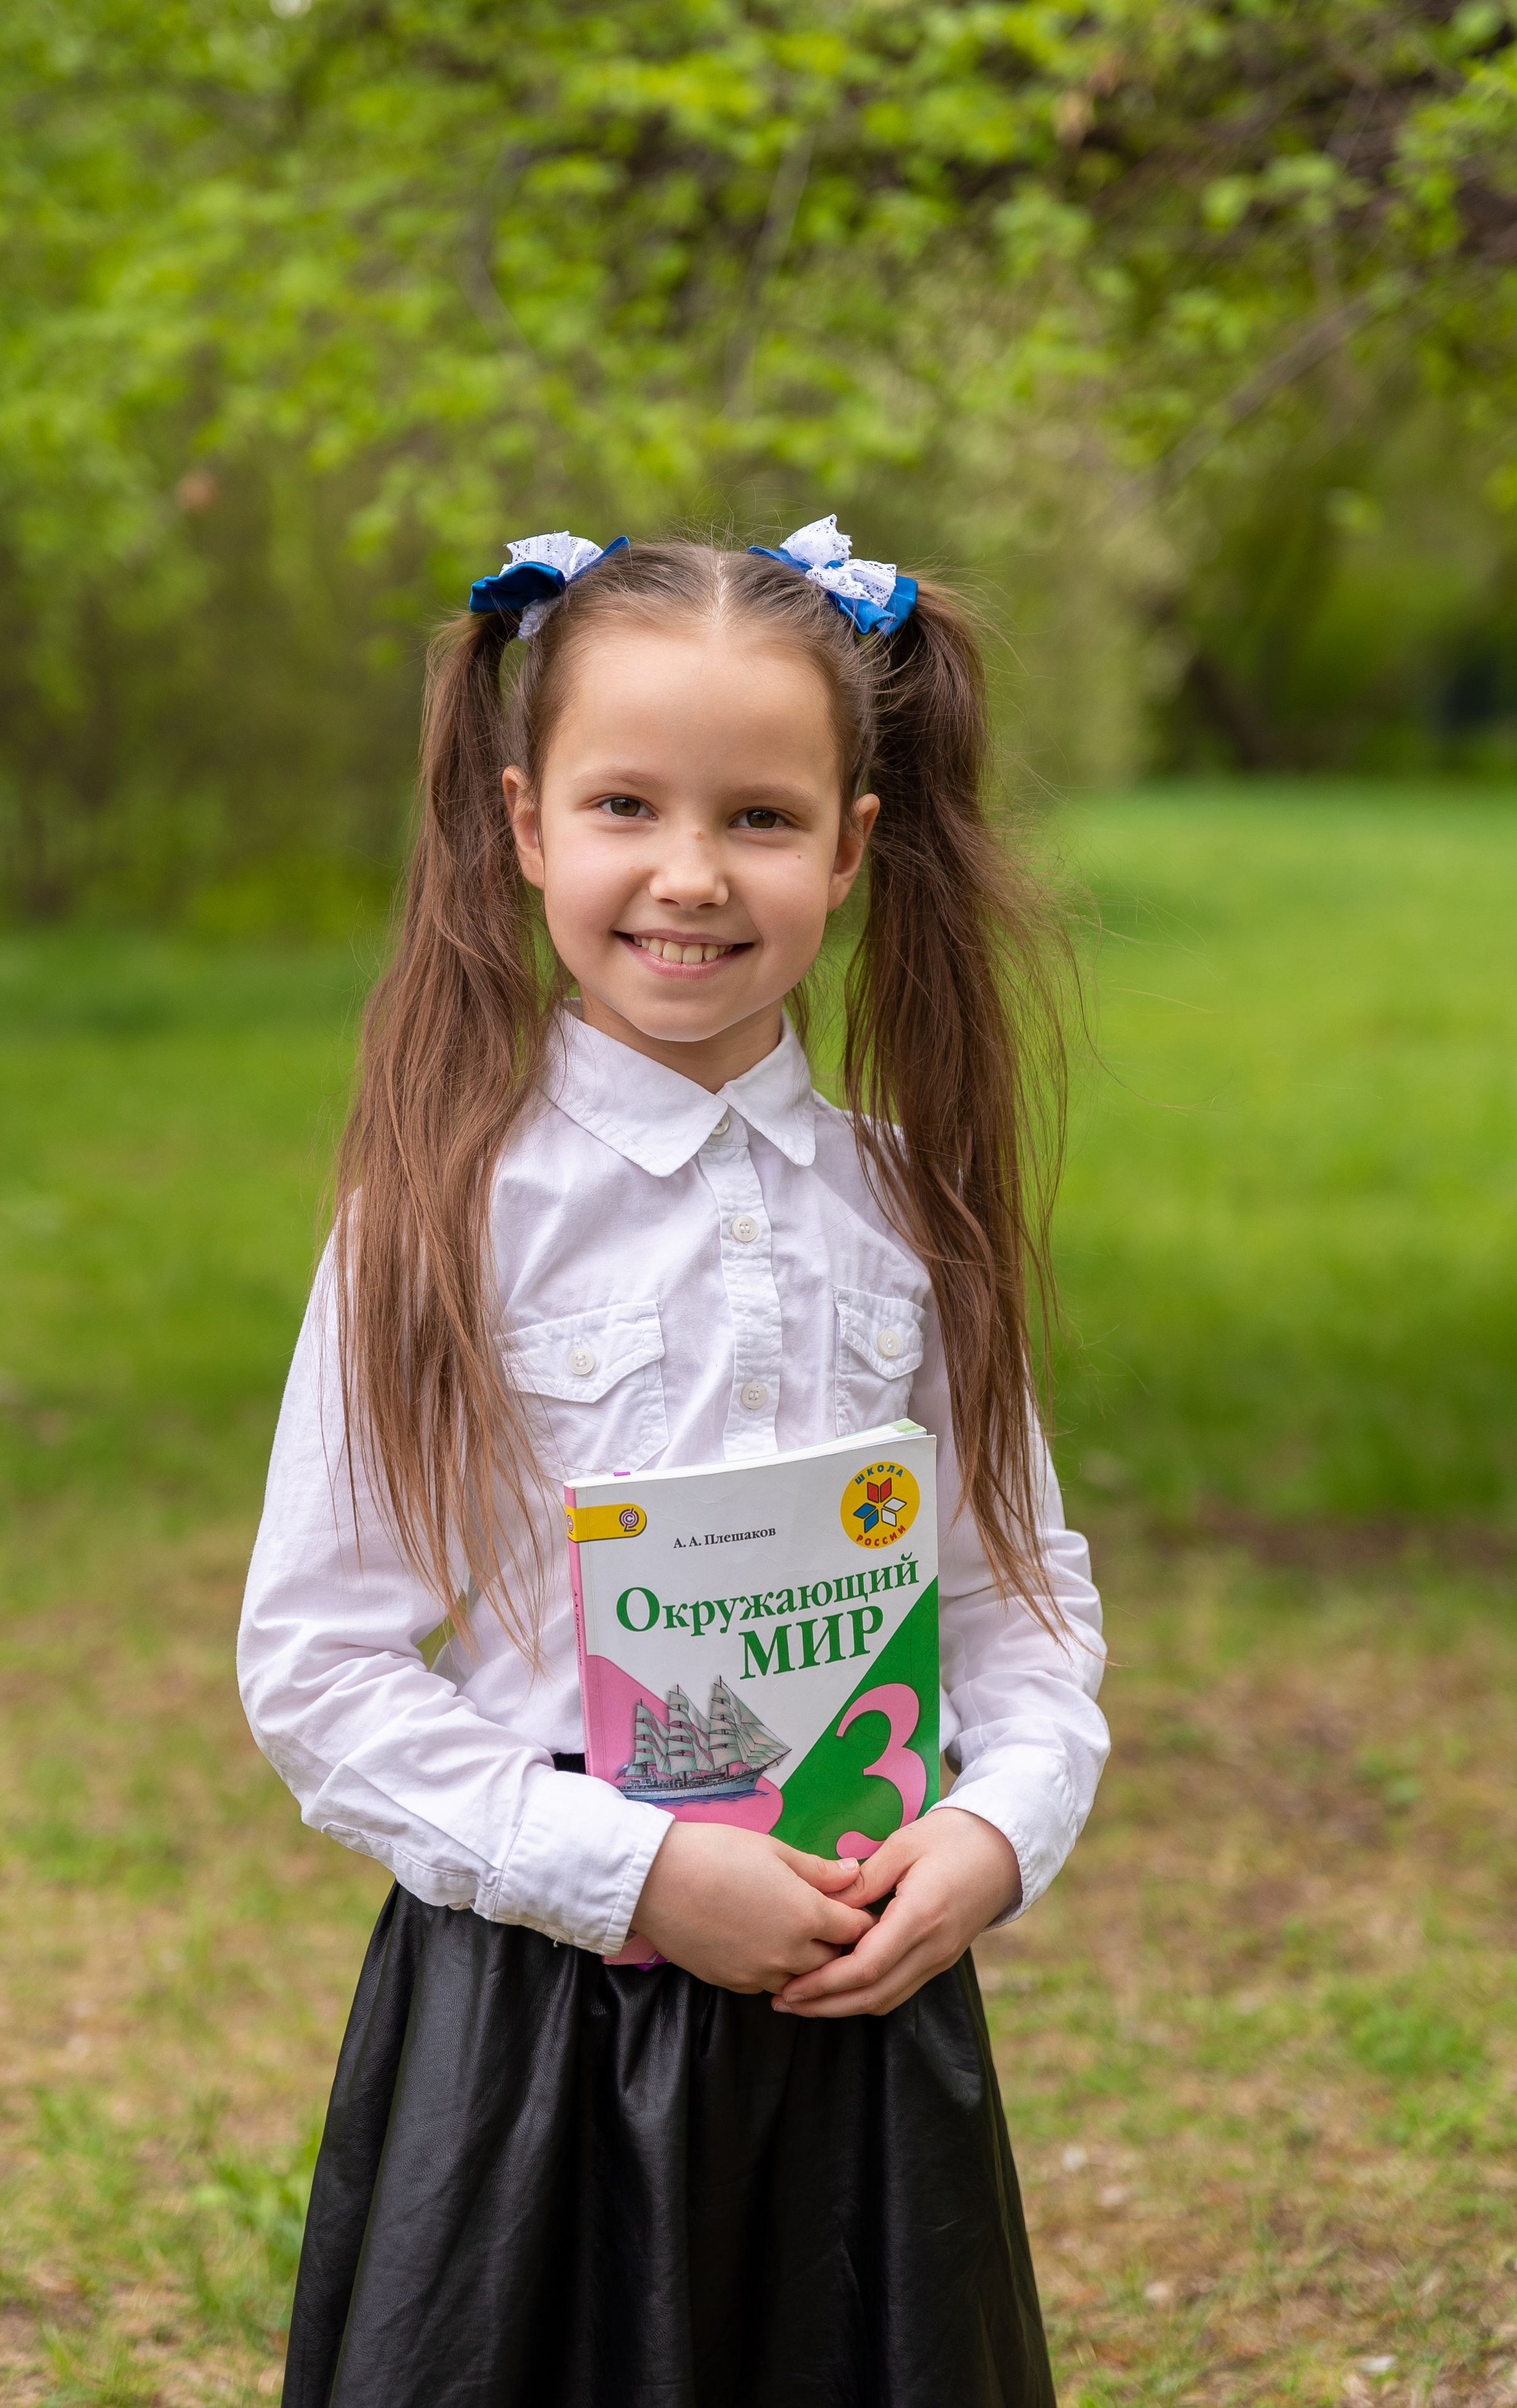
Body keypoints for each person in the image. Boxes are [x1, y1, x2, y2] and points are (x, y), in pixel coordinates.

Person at [238, 519, 1109, 2408]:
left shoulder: (914, 1213)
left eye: (764, 820)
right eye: (627, 802)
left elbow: (1021, 1618)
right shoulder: (445, 1212)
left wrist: (993, 1831)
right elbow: (313, 1667)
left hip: (859, 2014)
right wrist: (631, 1874)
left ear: (855, 844)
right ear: (526, 821)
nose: (691, 876)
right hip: (541, 2024)